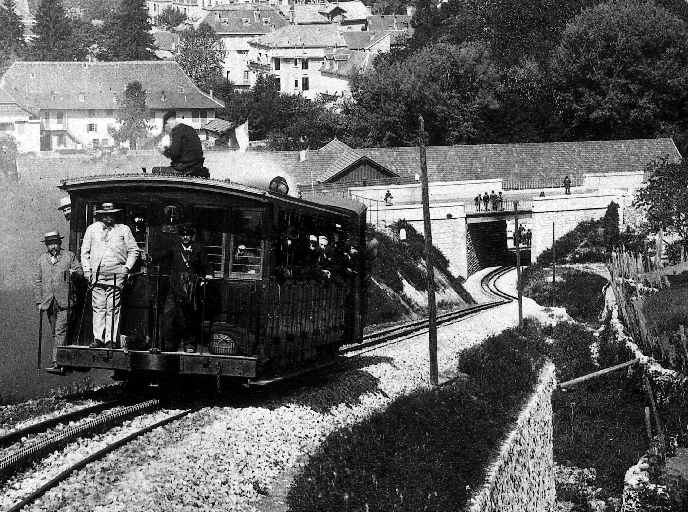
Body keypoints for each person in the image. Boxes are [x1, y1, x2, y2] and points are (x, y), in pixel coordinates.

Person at [81, 203, 139, 348]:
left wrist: (127, 268)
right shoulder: (92, 229)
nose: (108, 217)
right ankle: (98, 338)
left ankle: (110, 340)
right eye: (105, 215)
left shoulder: (124, 229)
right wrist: (87, 270)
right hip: (97, 275)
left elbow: (134, 250)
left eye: (111, 214)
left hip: (117, 274)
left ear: (115, 215)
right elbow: (85, 252)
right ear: (101, 216)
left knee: (112, 307)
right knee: (98, 306)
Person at [147, 226, 213, 353]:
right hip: (175, 286)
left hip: (191, 289)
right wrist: (149, 257)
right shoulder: (175, 247)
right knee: (168, 314)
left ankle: (189, 345)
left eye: (188, 235)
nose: (185, 237)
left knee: (190, 317)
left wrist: (209, 275)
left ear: (192, 236)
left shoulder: (199, 248)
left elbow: (206, 265)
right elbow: (161, 255)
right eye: (183, 235)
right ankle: (169, 345)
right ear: (179, 236)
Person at [35, 231, 83, 372]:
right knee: (56, 333)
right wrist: (39, 302)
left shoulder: (69, 256)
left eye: (55, 243)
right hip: (49, 302)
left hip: (65, 300)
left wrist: (75, 272)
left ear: (60, 243)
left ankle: (58, 362)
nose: (52, 247)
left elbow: (80, 272)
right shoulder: (42, 259)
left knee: (60, 330)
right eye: (49, 244)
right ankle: (65, 362)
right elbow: (38, 281)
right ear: (46, 245)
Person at [155, 110, 209, 178]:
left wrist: (164, 151)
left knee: (155, 170)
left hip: (185, 169)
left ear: (168, 122)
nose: (166, 128)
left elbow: (174, 153)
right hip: (197, 167)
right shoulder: (189, 129)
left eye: (165, 125)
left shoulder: (177, 131)